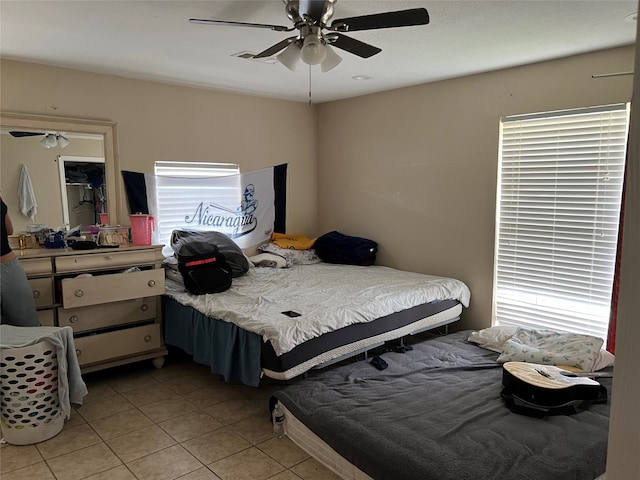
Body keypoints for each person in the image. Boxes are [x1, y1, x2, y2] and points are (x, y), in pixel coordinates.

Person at [1, 195, 39, 326]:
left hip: (9, 266)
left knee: (26, 324)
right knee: (26, 323)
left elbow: (9, 230)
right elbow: (9, 230)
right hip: (9, 266)